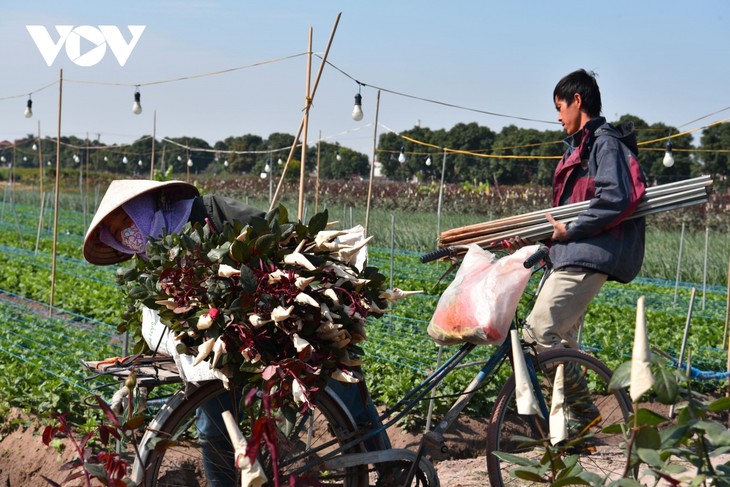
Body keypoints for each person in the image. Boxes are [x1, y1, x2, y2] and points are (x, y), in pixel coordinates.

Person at [83, 179, 387, 485]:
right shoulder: (152, 254)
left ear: (143, 208)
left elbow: (279, 238)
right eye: (119, 232)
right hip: (222, 344)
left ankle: (390, 471)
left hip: (276, 323)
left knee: (343, 389)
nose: (128, 233)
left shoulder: (211, 213)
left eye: (128, 220)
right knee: (212, 425)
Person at [512, 69, 646, 432]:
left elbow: (616, 197)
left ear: (578, 101)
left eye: (559, 107)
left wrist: (571, 230)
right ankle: (569, 435)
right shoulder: (584, 147)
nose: (557, 116)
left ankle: (584, 411)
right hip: (571, 254)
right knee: (561, 343)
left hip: (587, 255)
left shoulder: (605, 143)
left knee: (539, 333)